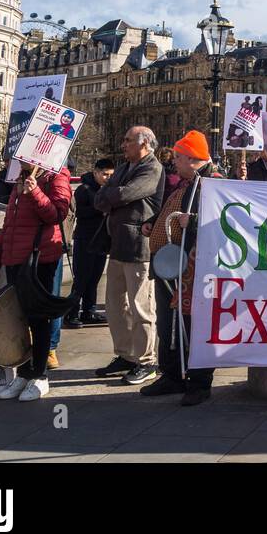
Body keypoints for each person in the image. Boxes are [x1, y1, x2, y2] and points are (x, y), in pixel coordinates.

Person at [141, 130, 225, 405]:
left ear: (192, 159)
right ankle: (173, 375)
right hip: (173, 265)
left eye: (178, 157)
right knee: (169, 323)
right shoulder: (187, 183)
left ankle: (199, 382)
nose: (173, 162)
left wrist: (196, 220)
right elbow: (172, 209)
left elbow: (225, 220)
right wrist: (154, 222)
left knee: (194, 325)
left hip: (195, 269)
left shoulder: (214, 183)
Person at [0, 163, 73, 401]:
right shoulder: (19, 177)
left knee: (38, 317)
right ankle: (24, 373)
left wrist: (35, 191)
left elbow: (58, 213)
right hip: (15, 258)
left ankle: (40, 374)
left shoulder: (56, 175)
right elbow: (9, 223)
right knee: (19, 318)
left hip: (40, 258)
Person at [93, 125, 165, 386]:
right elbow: (101, 197)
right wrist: (112, 196)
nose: (123, 145)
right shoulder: (124, 168)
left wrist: (112, 195)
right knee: (115, 305)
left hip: (138, 247)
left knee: (141, 306)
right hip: (117, 246)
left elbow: (127, 193)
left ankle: (147, 360)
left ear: (144, 143)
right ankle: (125, 354)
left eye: (128, 140)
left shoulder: (152, 168)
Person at [65, 157, 115, 328]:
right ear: (95, 172)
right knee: (81, 279)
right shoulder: (83, 190)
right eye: (104, 174)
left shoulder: (108, 190)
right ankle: (71, 313)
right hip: (85, 239)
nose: (107, 178)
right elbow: (78, 212)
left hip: (101, 240)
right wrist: (99, 209)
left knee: (94, 278)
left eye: (110, 175)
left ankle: (89, 311)